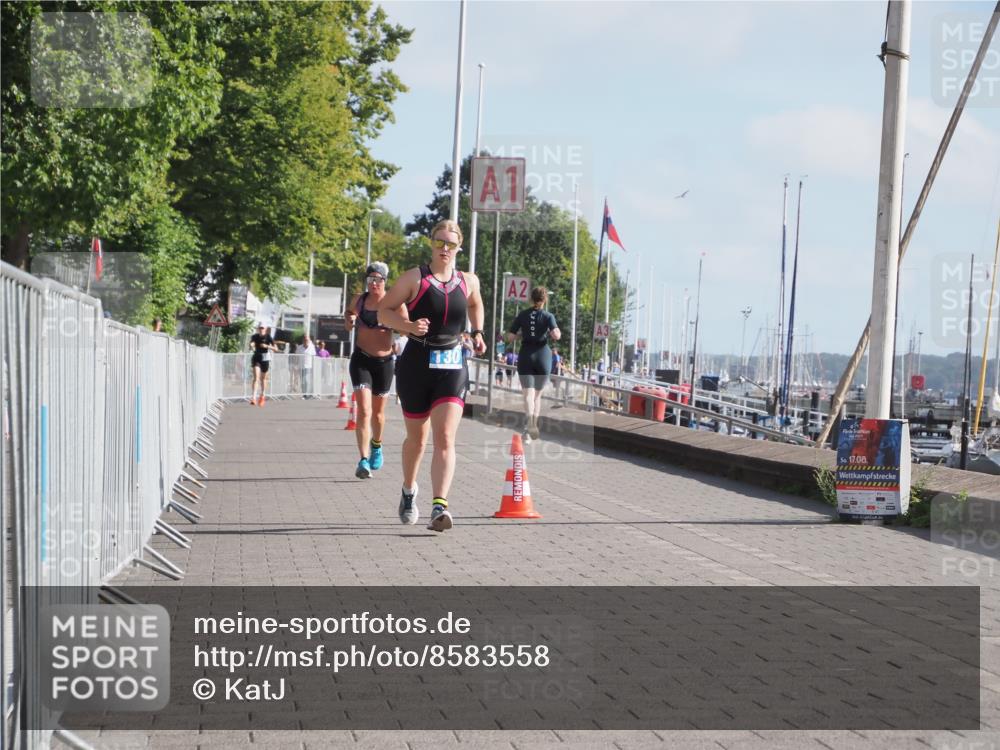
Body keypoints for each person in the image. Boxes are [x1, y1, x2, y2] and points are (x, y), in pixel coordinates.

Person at [378, 219, 486, 532]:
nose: (444, 249)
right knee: (417, 439)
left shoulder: (468, 281)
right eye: (439, 242)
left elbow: (476, 303)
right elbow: (383, 311)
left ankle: (439, 505)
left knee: (446, 437)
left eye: (450, 244)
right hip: (416, 363)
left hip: (452, 363)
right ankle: (409, 490)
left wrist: (477, 331)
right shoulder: (415, 278)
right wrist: (408, 326)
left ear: (459, 247)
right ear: (431, 243)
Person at [345, 262, 398, 479]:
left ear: (385, 281)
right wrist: (349, 320)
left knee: (377, 413)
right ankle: (363, 460)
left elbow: (406, 325)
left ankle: (377, 445)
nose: (374, 283)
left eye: (378, 279)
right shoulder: (359, 300)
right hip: (361, 360)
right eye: (370, 279)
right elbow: (349, 315)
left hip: (384, 363)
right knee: (364, 411)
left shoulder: (393, 303)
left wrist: (402, 326)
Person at [506, 286, 561, 441]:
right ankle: (533, 427)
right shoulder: (548, 316)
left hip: (526, 355)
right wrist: (553, 332)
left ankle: (529, 426)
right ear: (545, 300)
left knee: (528, 395)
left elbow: (510, 337)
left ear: (531, 299)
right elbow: (556, 335)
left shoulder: (522, 315)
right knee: (537, 396)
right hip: (543, 356)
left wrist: (519, 335)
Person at [249, 324, 277, 405]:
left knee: (263, 379)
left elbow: (276, 349)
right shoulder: (255, 336)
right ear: (258, 329)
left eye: (262, 328)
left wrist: (267, 346)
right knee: (256, 377)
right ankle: (254, 397)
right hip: (257, 357)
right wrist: (251, 345)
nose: (261, 329)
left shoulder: (268, 337)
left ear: (265, 329)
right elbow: (251, 343)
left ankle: (262, 395)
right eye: (260, 328)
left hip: (265, 358)